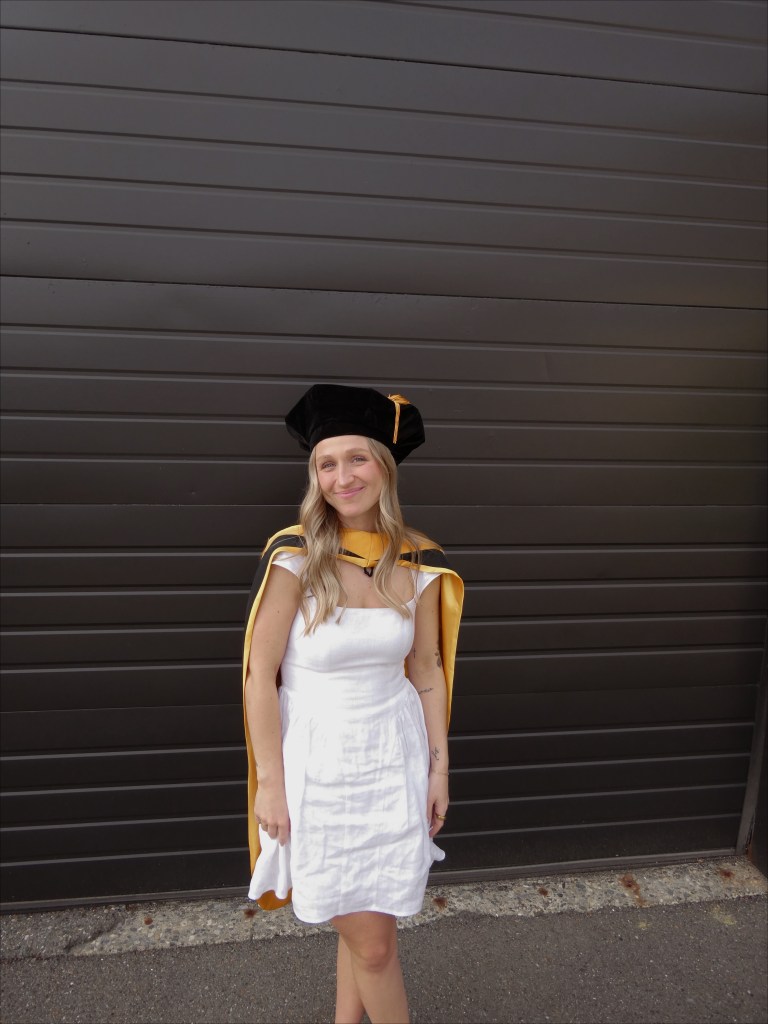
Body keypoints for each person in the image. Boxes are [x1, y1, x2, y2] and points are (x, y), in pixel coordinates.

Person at [242, 384, 463, 1024]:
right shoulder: (295, 560)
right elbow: (261, 676)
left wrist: (438, 768)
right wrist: (271, 785)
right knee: (373, 943)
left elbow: (425, 668)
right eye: (327, 463)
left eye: (358, 459)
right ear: (315, 476)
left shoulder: (416, 562)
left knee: (368, 921)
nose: (343, 477)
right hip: (319, 764)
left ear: (384, 468)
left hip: (392, 755)